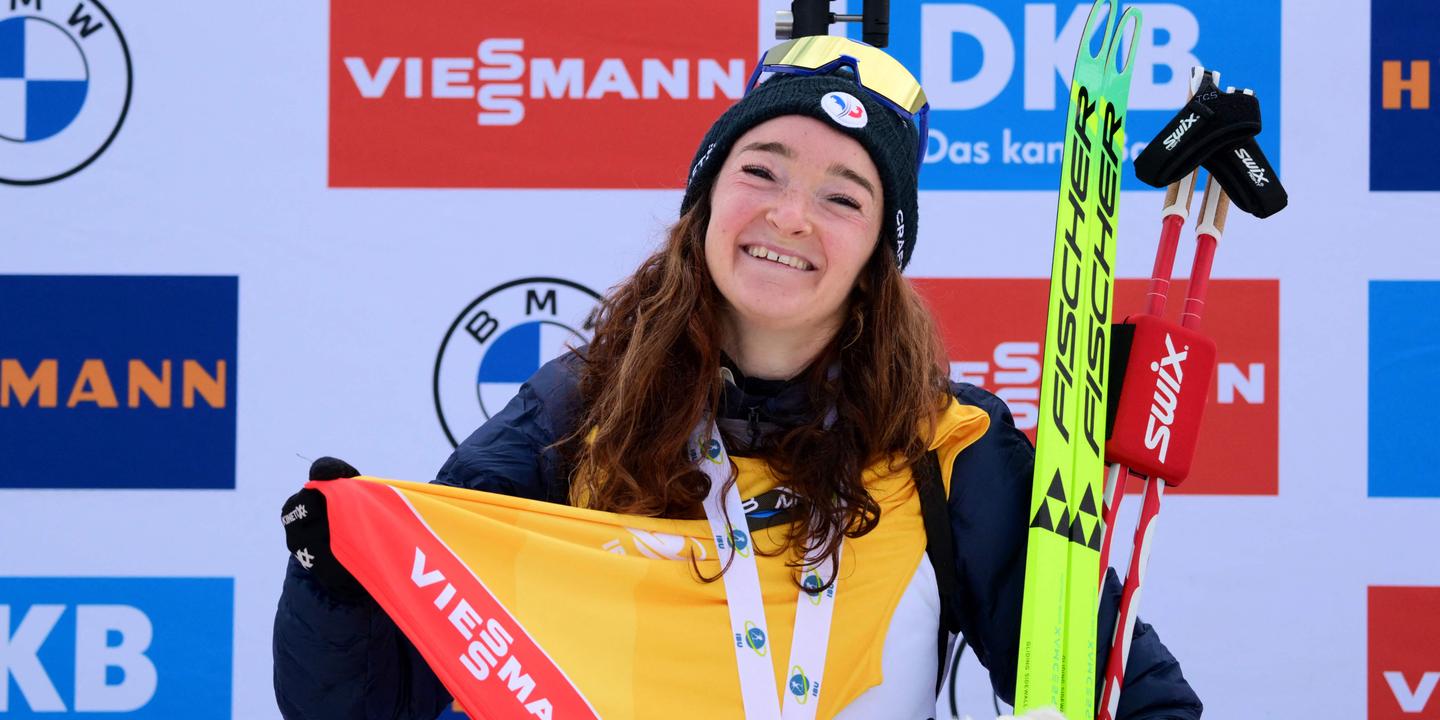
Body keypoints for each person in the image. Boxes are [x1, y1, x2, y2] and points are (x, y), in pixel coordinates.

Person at [274, 37, 1202, 719]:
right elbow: (373, 705)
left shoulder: (948, 447)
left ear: (881, 251)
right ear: (706, 202)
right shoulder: (574, 418)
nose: (793, 216)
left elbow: (1139, 696)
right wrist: (333, 580)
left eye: (845, 195)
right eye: (763, 170)